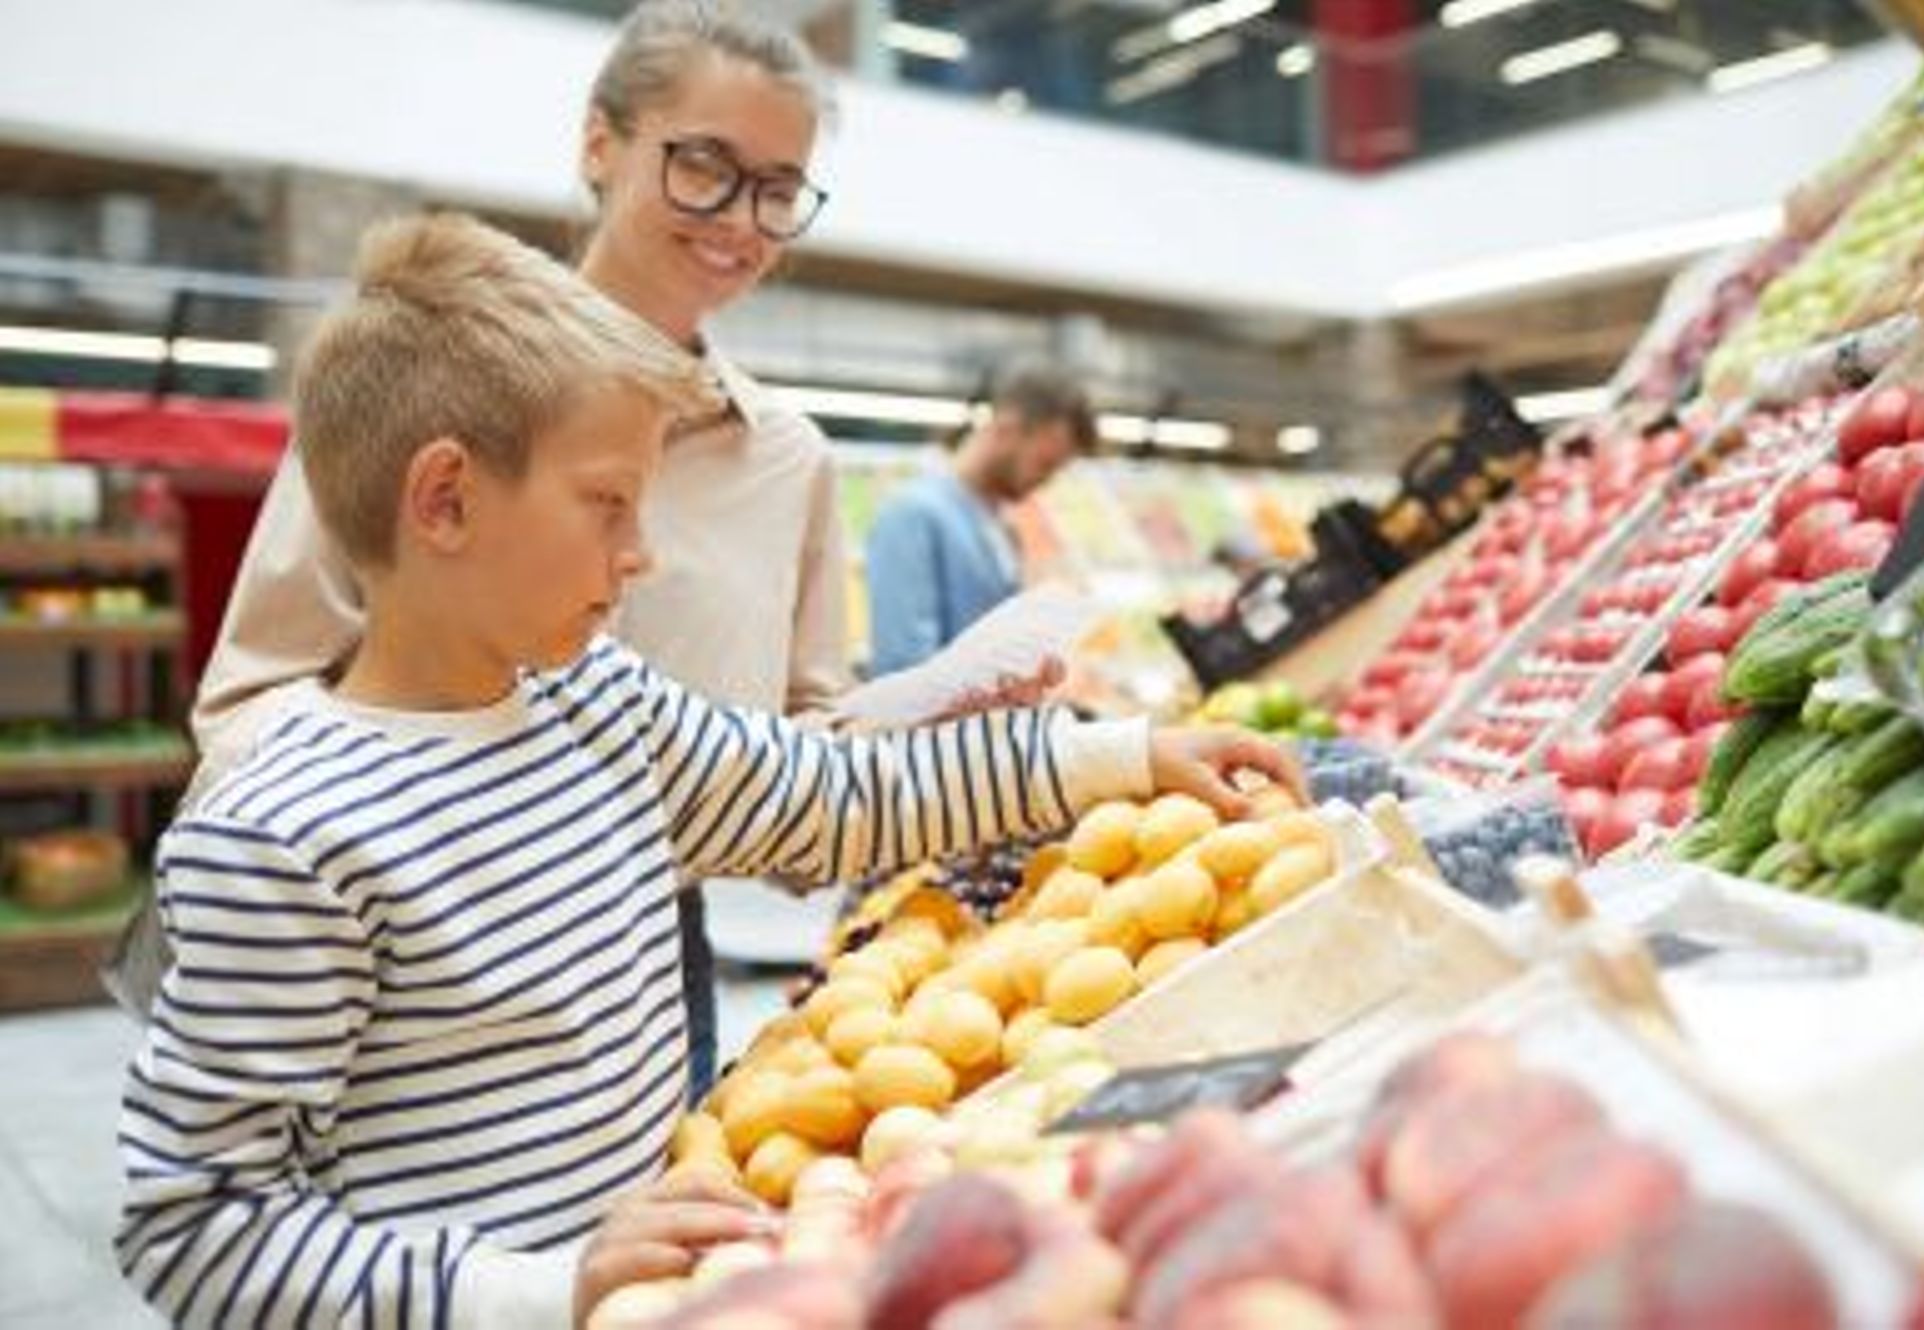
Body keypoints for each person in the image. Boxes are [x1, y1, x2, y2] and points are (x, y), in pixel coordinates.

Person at [115, 213, 1301, 1330]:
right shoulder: (280, 836)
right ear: (444, 499)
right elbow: (193, 1224)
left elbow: (829, 798)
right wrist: (536, 1288)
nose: (638, 556)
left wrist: (1116, 754)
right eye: (608, 505)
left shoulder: (595, 701)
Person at [123, 2, 889, 1096]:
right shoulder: (428, 375)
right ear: (600, 143)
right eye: (705, 165)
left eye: (777, 188)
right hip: (413, 949)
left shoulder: (786, 461)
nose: (740, 220)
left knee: (642, 1256)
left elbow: (802, 759)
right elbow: (253, 700)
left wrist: (941, 740)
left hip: (650, 952)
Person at [864, 361, 1095, 674]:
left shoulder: (1000, 525)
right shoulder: (912, 514)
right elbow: (902, 665)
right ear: (1007, 427)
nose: (1046, 482)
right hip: (936, 723)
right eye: (1045, 463)